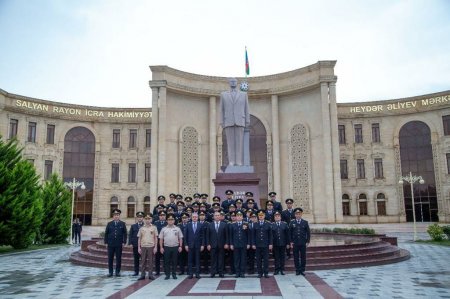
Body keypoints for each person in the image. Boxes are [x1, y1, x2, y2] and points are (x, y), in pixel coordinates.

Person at [220, 77, 250, 166]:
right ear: (229, 83)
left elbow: (246, 108)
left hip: (240, 120)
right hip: (228, 121)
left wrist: (247, 120)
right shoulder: (224, 94)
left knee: (239, 143)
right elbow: (221, 109)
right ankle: (231, 161)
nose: (233, 83)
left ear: (237, 83)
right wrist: (221, 121)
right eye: (231, 81)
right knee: (230, 143)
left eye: (234, 81)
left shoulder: (243, 94)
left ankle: (239, 161)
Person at [159, 214, 184, 280]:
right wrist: (161, 247)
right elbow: (161, 239)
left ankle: (174, 274)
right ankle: (167, 275)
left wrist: (180, 246)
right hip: (166, 247)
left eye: (172, 219)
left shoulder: (177, 228)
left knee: (174, 261)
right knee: (166, 262)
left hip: (175, 247)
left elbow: (180, 238)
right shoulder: (163, 229)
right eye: (169, 220)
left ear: (174, 220)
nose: (170, 221)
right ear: (167, 220)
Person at [104, 209, 127, 277]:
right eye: (115, 215)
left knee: (118, 258)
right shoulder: (109, 224)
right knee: (110, 258)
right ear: (113, 216)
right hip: (110, 244)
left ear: (119, 216)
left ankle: (117, 272)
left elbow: (125, 233)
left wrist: (124, 242)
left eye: (117, 215)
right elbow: (106, 233)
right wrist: (106, 242)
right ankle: (110, 272)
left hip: (119, 244)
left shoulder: (122, 224)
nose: (116, 216)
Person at [207, 211, 228, 278]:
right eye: (216, 215)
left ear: (220, 216)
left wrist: (226, 243)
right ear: (213, 217)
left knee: (221, 259)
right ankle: (213, 272)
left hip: (221, 245)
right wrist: (208, 244)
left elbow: (226, 235)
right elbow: (207, 236)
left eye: (218, 215)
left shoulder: (224, 224)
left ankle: (220, 272)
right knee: (213, 260)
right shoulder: (210, 224)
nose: (217, 216)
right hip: (212, 245)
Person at [184, 212, 205, 279]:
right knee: (190, 260)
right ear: (191, 218)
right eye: (193, 217)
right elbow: (185, 236)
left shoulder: (200, 225)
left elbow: (203, 236)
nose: (194, 218)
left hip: (198, 245)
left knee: (197, 260)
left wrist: (202, 245)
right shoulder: (188, 225)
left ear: (197, 217)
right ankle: (190, 274)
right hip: (190, 245)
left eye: (196, 217)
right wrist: (186, 245)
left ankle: (197, 273)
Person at [290, 208, 310, 276]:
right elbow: (290, 233)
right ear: (295, 215)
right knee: (296, 257)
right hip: (295, 243)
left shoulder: (305, 222)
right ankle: (297, 270)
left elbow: (308, 232)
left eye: (299, 214)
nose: (298, 215)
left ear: (301, 214)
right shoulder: (292, 222)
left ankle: (302, 270)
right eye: (296, 214)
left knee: (303, 256)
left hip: (302, 242)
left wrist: (307, 241)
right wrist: (291, 242)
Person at [229, 211, 250, 278]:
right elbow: (231, 235)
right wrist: (231, 244)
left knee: (243, 259)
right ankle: (237, 272)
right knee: (236, 259)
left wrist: (248, 243)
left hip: (243, 244)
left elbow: (248, 235)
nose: (239, 217)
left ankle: (242, 272)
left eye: (240, 216)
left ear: (242, 217)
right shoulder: (232, 225)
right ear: (236, 217)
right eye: (237, 216)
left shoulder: (246, 224)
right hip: (235, 244)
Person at [137, 213, 158, 280]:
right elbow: (139, 238)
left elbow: (156, 238)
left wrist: (155, 247)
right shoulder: (141, 228)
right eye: (146, 219)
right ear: (144, 219)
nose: (147, 220)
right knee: (143, 261)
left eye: (149, 219)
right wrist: (139, 247)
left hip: (151, 246)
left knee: (151, 261)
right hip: (143, 246)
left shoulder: (154, 227)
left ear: (151, 219)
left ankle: (150, 274)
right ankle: (142, 274)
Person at [253, 210, 273, 278]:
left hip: (266, 245)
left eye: (262, 215)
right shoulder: (255, 224)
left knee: (266, 259)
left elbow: (270, 235)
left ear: (264, 216)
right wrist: (253, 244)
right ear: (258, 217)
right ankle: (260, 273)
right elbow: (253, 235)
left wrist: (270, 244)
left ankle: (266, 272)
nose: (261, 217)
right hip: (258, 245)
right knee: (258, 260)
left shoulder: (268, 224)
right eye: (259, 216)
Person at [272, 211, 290, 275]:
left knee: (282, 257)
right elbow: (271, 235)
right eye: (276, 216)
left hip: (283, 243)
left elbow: (287, 234)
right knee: (276, 257)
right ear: (274, 218)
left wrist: (288, 243)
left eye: (278, 216)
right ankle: (276, 269)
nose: (277, 217)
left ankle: (282, 269)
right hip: (275, 244)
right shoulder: (272, 225)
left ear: (280, 217)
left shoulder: (284, 224)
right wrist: (271, 244)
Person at [129, 211, 145, 276]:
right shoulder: (133, 226)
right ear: (137, 218)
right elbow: (130, 235)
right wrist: (130, 243)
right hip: (135, 245)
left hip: (144, 244)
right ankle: (136, 271)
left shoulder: (145, 225)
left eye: (141, 217)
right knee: (136, 259)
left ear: (143, 218)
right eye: (138, 217)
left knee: (143, 259)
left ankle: (143, 272)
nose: (140, 218)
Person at [154, 211, 167, 275]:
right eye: (161, 215)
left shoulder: (168, 223)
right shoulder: (155, 223)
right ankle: (157, 271)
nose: (162, 216)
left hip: (166, 243)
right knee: (157, 258)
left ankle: (165, 270)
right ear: (159, 216)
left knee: (166, 258)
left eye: (164, 215)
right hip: (158, 243)